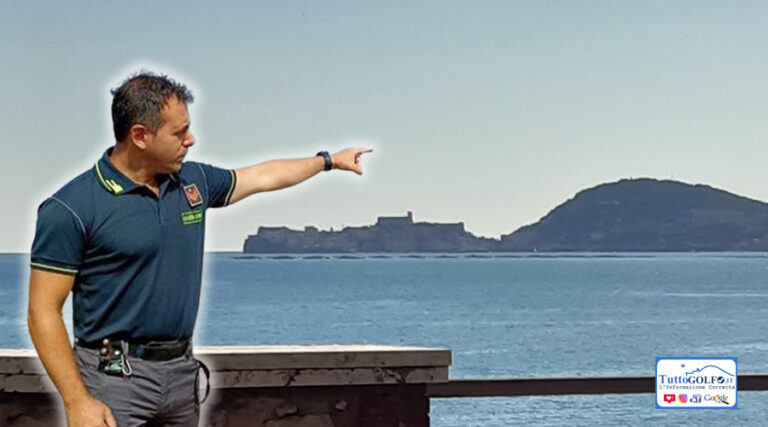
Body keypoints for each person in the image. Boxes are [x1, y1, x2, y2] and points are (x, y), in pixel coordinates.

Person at [27, 71, 372, 427]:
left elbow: (263, 176)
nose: (190, 140)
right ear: (140, 136)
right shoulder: (71, 208)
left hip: (181, 376)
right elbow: (43, 311)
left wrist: (328, 160)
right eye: (179, 132)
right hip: (112, 381)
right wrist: (76, 400)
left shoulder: (193, 183)